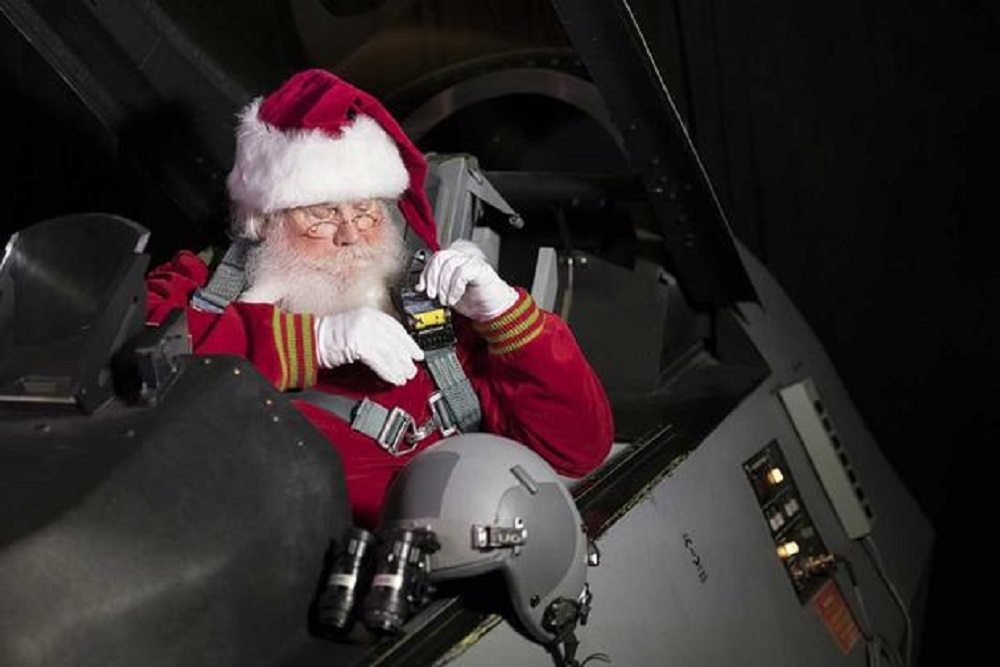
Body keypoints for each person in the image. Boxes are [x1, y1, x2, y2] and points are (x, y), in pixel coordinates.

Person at [146, 69, 614, 528]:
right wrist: (311, 343)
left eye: (366, 210)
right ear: (265, 221)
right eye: (321, 213)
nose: (350, 234)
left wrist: (507, 317)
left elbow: (578, 450)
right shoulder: (202, 285)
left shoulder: (431, 310)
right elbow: (130, 364)